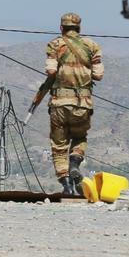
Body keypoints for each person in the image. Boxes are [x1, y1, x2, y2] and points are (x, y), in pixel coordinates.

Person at [45, 12, 104, 195]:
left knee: (59, 145)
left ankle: (66, 185)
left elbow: (50, 70)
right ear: (79, 28)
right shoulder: (92, 45)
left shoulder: (55, 45)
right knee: (80, 137)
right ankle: (75, 162)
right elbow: (99, 75)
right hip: (83, 104)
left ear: (61, 28)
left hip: (59, 104)